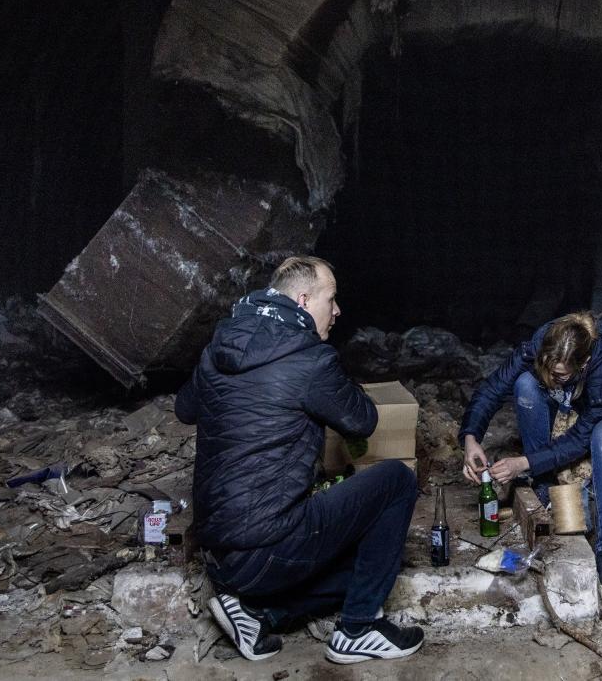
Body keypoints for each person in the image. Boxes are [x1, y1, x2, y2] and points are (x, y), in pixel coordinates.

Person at [176, 256, 424, 664]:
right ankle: (358, 629)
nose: (338, 310)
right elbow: (362, 421)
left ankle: (258, 614)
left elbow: (186, 409)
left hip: (219, 557)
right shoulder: (310, 358)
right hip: (268, 552)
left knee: (371, 564)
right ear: (305, 300)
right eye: (332, 299)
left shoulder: (219, 346)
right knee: (396, 480)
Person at [458, 311, 602, 589]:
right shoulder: (544, 341)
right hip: (579, 401)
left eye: (559, 374)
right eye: (548, 368)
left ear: (584, 364)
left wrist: (524, 462)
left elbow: (582, 438)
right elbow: (496, 386)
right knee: (525, 384)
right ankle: (544, 489)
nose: (551, 377)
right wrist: (471, 437)